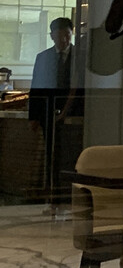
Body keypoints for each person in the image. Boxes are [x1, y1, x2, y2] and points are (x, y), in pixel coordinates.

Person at [29, 17, 81, 201]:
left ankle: (69, 193)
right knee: (51, 154)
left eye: (67, 35)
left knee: (72, 153)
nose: (64, 40)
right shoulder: (43, 57)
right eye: (60, 36)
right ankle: (53, 192)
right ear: (52, 36)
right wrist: (34, 116)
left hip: (74, 115)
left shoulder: (81, 56)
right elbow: (36, 87)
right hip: (48, 114)